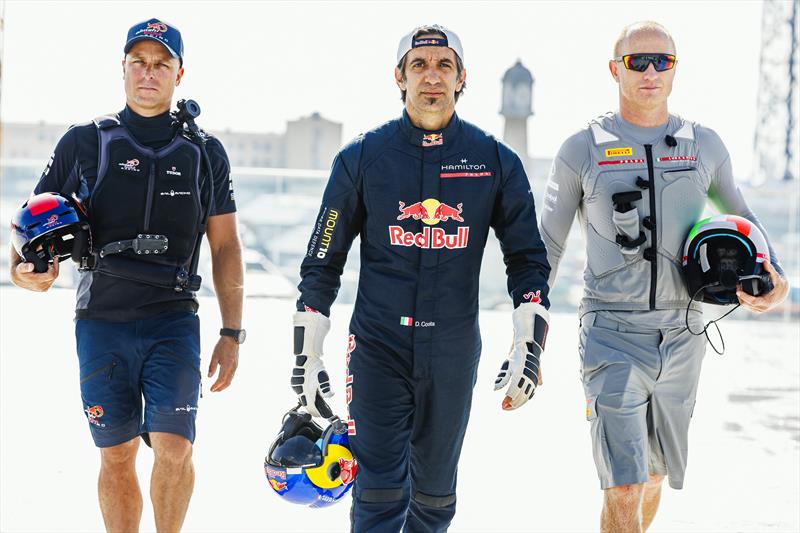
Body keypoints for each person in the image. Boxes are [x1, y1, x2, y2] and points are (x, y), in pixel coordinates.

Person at [291, 24, 551, 532]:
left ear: (462, 78)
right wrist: (307, 355)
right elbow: (322, 261)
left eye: (443, 65)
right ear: (399, 76)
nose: (431, 76)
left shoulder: (495, 160)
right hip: (378, 347)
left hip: (452, 349)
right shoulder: (362, 158)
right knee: (379, 491)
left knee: (434, 500)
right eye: (419, 65)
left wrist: (529, 344)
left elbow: (527, 260)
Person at [540, 20, 789, 533]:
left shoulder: (704, 145)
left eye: (662, 62)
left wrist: (774, 275)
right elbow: (549, 245)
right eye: (638, 61)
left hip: (685, 331)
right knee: (624, 482)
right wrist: (530, 338)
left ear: (675, 69)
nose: (651, 71)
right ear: (615, 69)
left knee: (652, 477)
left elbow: (742, 217)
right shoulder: (580, 149)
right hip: (610, 330)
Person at [8, 18, 245, 532]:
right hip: (102, 320)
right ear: (123, 68)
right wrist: (24, 272)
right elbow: (28, 227)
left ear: (180, 74)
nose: (149, 73)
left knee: (175, 447)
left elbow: (225, 245)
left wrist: (232, 333)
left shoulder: (205, 152)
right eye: (139, 61)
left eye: (162, 63)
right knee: (115, 455)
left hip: (173, 319)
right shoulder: (83, 143)